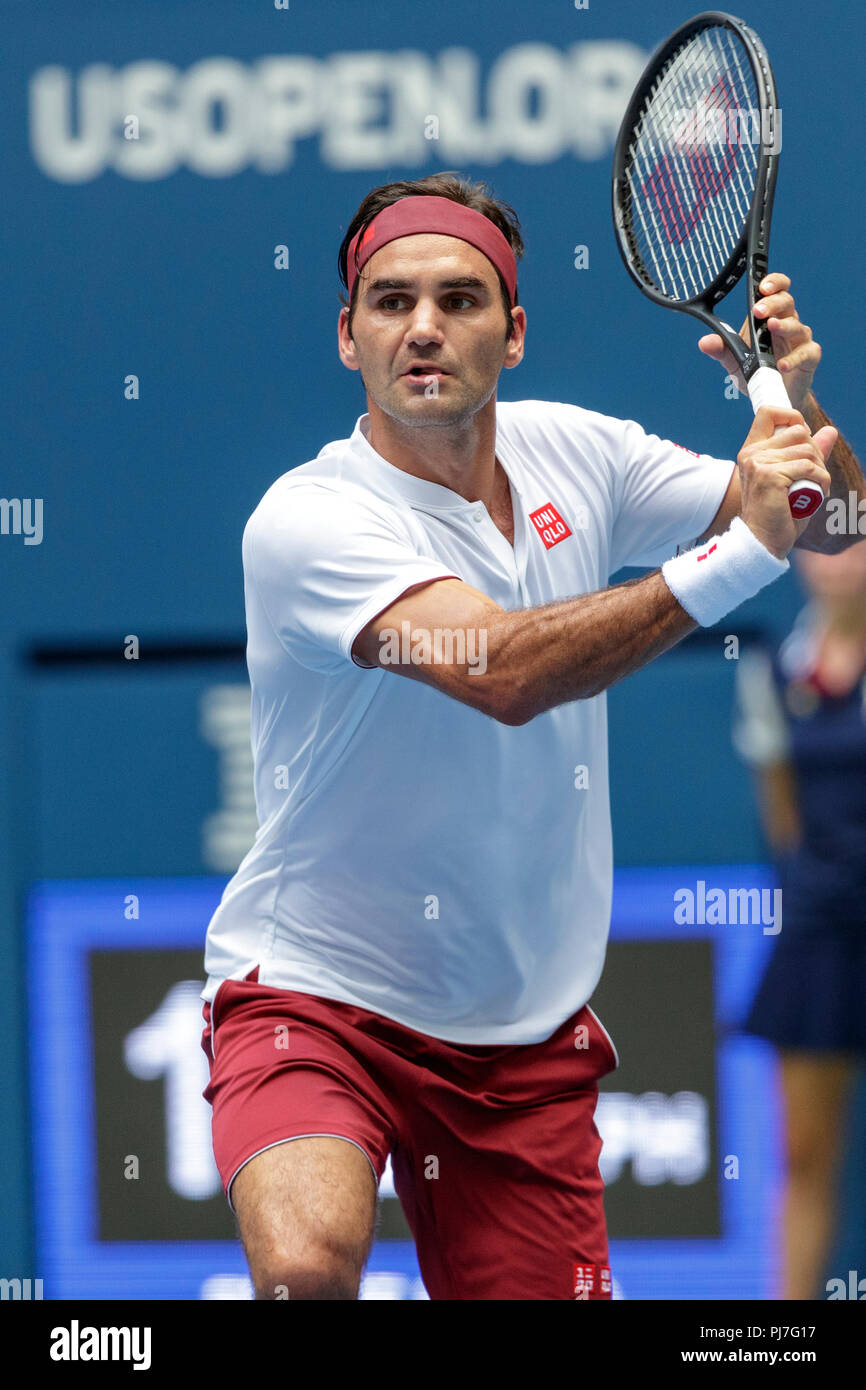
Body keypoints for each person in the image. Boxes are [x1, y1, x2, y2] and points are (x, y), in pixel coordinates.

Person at [199, 171, 863, 1300]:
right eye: (388, 301)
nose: (422, 326)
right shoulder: (305, 521)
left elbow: (836, 520)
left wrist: (788, 416)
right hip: (318, 992)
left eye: (459, 300)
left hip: (518, 1033)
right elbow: (498, 670)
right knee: (305, 1269)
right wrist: (738, 553)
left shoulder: (579, 453)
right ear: (347, 338)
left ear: (511, 335)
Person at [733, 537, 866, 1300]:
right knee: (806, 1152)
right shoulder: (773, 672)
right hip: (816, 940)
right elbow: (780, 812)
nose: (840, 564)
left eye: (856, 548)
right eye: (825, 549)